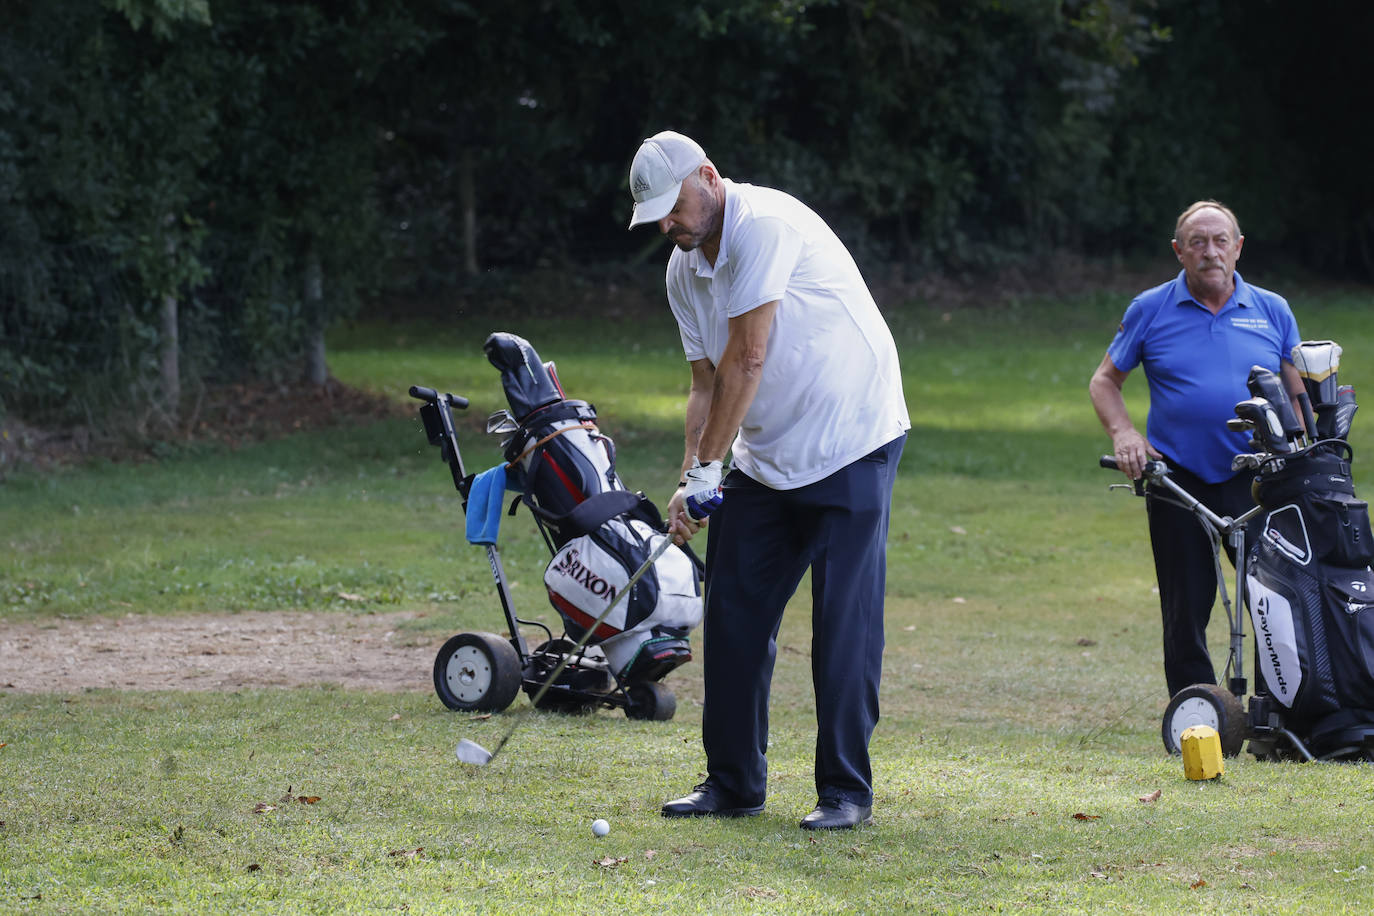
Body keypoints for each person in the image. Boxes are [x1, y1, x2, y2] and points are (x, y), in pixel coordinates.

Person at [625, 130, 910, 830]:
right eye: (656, 216)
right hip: (766, 454)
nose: (669, 225)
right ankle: (733, 783)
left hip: (853, 437)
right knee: (732, 615)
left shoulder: (765, 226)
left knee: (843, 624)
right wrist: (692, 473)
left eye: (674, 207)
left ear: (709, 177)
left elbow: (747, 360)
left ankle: (845, 793)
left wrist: (711, 466)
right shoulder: (681, 269)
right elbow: (704, 383)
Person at [1089, 199, 1303, 699]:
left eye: (1220, 240)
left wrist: (1303, 450)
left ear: (1239, 247)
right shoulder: (1150, 308)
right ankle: (1197, 714)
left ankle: (1287, 706)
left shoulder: (1272, 309)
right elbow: (1105, 382)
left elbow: (1299, 393)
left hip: (1258, 474)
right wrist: (1125, 434)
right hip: (1176, 475)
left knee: (1275, 595)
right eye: (1198, 243)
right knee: (1187, 603)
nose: (1211, 252)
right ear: (1179, 252)